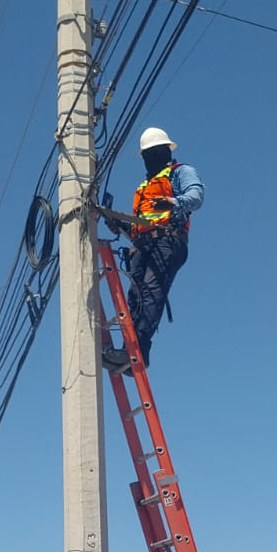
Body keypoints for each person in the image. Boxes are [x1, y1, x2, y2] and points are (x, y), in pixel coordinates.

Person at [103, 125, 203, 373]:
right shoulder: (144, 187)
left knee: (150, 294)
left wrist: (173, 202)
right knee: (135, 301)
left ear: (165, 152)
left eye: (154, 154)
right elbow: (142, 226)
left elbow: (196, 196)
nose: (150, 160)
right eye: (147, 156)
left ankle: (133, 352)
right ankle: (136, 354)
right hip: (144, 246)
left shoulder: (179, 173)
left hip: (167, 242)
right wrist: (121, 225)